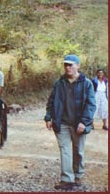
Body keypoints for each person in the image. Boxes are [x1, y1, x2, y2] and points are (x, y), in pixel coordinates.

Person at [44, 54, 96, 190]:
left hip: (79, 124)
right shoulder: (59, 83)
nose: (67, 67)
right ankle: (67, 179)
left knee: (78, 151)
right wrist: (48, 117)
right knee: (65, 150)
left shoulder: (87, 84)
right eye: (65, 65)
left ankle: (78, 175)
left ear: (78, 66)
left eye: (70, 65)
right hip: (62, 123)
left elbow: (91, 105)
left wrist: (84, 122)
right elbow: (51, 101)